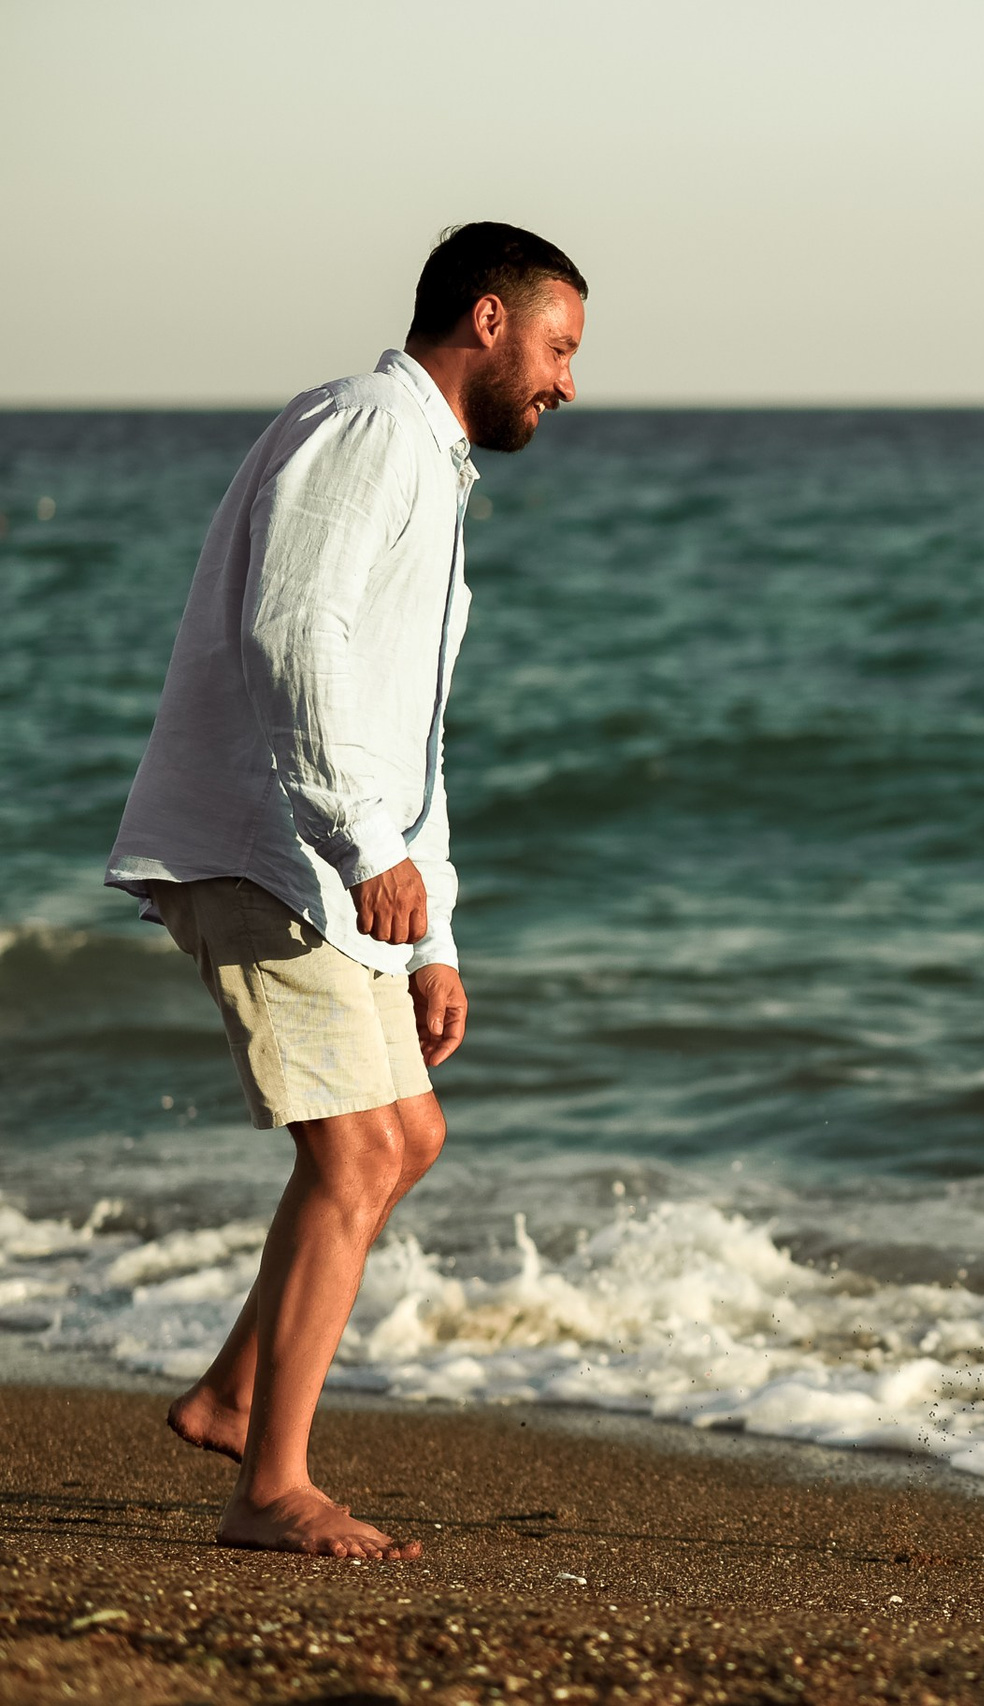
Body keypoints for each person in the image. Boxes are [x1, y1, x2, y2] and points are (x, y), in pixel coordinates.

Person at [102, 222, 587, 1559]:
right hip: (277, 846)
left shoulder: (426, 458)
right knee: (361, 1146)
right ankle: (270, 1488)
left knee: (408, 1133)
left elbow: (406, 723)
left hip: (335, 856)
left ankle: (227, 1396)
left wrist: (432, 929)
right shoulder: (374, 421)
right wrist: (364, 847)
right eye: (558, 347)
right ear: (487, 320)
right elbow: (291, 630)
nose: (563, 382)